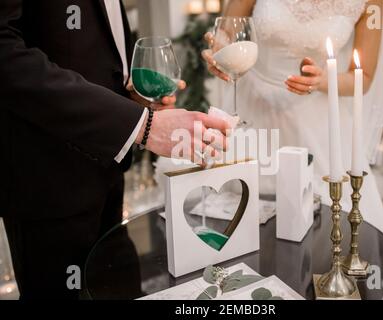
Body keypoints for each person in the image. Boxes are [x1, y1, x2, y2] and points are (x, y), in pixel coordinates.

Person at [0, 0, 228, 299]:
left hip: (107, 168)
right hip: (48, 179)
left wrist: (126, 100)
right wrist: (143, 125)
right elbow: (6, 56)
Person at [203, 0, 383, 238]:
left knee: (327, 223)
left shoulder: (372, 3)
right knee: (240, 217)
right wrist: (219, 50)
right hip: (252, 108)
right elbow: (226, 32)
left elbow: (364, 77)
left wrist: (321, 81)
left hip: (318, 117)